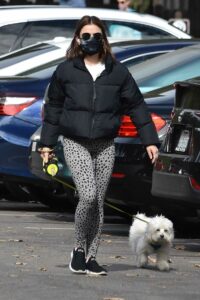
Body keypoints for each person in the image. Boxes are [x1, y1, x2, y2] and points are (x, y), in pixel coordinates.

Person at [39, 15, 159, 276]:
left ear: (104, 39)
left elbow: (136, 105)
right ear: (77, 39)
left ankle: (92, 257)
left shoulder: (118, 72)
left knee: (98, 203)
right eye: (86, 36)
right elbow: (54, 109)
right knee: (88, 195)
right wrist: (46, 145)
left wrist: (149, 140)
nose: (91, 40)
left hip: (105, 144)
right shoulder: (66, 70)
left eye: (97, 36)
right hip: (74, 142)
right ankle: (78, 250)